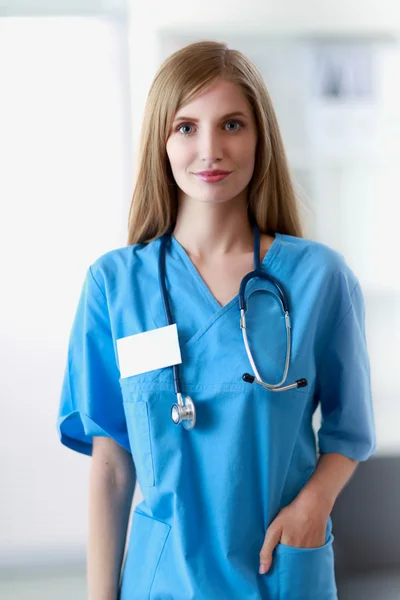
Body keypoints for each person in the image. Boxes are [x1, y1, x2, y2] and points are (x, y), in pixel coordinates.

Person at [56, 40, 376, 600]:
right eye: (186, 127)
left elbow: (350, 433)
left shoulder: (319, 279)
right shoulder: (114, 286)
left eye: (232, 124)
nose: (210, 149)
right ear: (161, 139)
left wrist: (313, 505)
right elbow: (111, 465)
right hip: (164, 581)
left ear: (260, 138)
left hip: (281, 570)